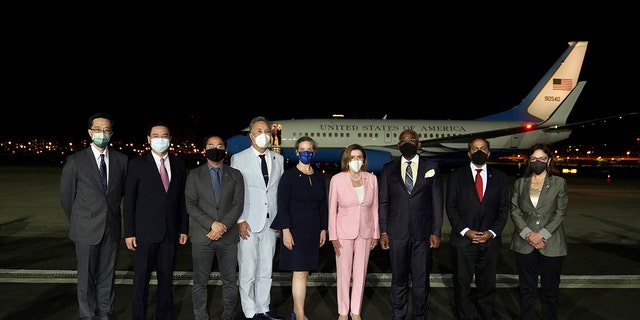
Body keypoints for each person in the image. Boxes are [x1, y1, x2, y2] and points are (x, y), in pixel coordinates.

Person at [59, 112, 128, 320]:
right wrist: (80, 222)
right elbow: (66, 198)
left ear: (112, 133)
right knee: (86, 277)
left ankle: (105, 312)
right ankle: (88, 315)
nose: (102, 133)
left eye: (106, 130)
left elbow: (120, 193)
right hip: (85, 229)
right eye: (98, 130)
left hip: (111, 228)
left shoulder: (121, 160)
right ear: (90, 132)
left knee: (107, 275)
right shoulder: (76, 161)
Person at [123, 121, 189, 320]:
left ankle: (165, 316)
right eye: (156, 136)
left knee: (166, 279)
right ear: (149, 139)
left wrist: (183, 228)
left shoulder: (178, 165)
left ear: (170, 139)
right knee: (141, 280)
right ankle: (139, 316)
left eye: (165, 135)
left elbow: (181, 201)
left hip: (169, 233)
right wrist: (129, 232)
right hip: (144, 233)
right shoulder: (136, 164)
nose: (161, 139)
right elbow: (129, 202)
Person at [378, 129, 444, 320]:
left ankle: (419, 316)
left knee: (421, 281)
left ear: (419, 144)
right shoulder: (388, 168)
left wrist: (436, 231)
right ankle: (398, 315)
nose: (407, 143)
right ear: (398, 145)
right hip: (396, 234)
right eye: (403, 140)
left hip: (423, 235)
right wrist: (383, 231)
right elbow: (384, 202)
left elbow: (437, 202)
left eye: (411, 140)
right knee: (398, 279)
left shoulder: (431, 167)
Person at [445, 137, 510, 320]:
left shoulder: (500, 177)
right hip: (463, 241)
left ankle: (484, 316)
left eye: (483, 148)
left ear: (489, 152)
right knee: (462, 284)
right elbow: (451, 207)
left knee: (487, 285)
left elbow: (503, 209)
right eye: (475, 149)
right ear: (469, 153)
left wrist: (491, 232)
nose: (479, 151)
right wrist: (466, 231)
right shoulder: (456, 175)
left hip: (490, 242)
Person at [230, 116, 285, 320]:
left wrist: (280, 221)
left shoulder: (278, 159)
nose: (264, 135)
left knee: (265, 268)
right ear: (251, 135)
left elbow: (276, 192)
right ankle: (250, 311)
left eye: (267, 131)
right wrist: (240, 220)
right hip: (248, 222)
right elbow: (236, 192)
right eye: (259, 131)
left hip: (271, 223)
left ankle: (263, 307)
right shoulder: (239, 158)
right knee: (247, 268)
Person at [185, 135, 245, 320]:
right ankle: (200, 316)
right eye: (211, 145)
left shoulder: (235, 174)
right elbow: (191, 205)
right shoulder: (194, 175)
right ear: (204, 150)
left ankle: (228, 314)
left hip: (228, 237)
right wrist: (212, 224)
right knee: (200, 282)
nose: (215, 148)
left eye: (219, 145)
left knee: (229, 281)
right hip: (203, 237)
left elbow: (238, 204)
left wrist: (223, 226)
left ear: (225, 150)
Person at [270, 136, 328, 320]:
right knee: (300, 272)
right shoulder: (289, 176)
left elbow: (323, 205)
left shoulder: (319, 176)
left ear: (314, 152)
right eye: (302, 149)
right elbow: (282, 205)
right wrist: (285, 230)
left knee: (305, 272)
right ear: (296, 152)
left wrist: (323, 228)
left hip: (312, 230)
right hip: (295, 229)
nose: (306, 153)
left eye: (310, 149)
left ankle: (297, 312)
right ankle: (300, 314)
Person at [510, 143, 568, 320]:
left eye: (542, 158)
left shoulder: (559, 182)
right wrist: (528, 233)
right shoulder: (520, 183)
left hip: (551, 243)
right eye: (534, 158)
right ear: (529, 161)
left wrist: (542, 234)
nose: (538, 162)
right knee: (527, 290)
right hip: (524, 243)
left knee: (550, 290)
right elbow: (514, 210)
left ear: (549, 160)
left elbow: (560, 212)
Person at [328, 144, 380, 320]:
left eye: (359, 157)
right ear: (346, 160)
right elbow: (332, 210)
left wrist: (376, 233)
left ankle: (355, 310)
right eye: (353, 157)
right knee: (344, 274)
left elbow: (375, 209)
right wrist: (333, 236)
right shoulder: (337, 179)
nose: (356, 160)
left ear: (364, 160)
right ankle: (343, 312)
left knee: (360, 273)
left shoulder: (371, 179)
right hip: (343, 233)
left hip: (365, 233)